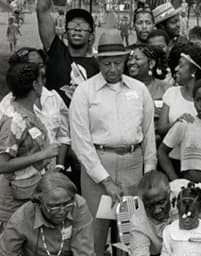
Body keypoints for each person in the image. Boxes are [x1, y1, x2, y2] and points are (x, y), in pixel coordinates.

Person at [69, 30, 157, 256]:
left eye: (118, 62)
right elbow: (81, 142)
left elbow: (148, 135)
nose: (113, 69)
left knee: (132, 229)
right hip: (98, 165)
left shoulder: (139, 90)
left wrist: (149, 174)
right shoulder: (85, 91)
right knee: (95, 231)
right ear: (99, 61)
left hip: (132, 164)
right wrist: (105, 180)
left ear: (125, 60)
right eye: (107, 63)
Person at [0, 63, 67, 229]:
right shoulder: (14, 120)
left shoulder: (30, 113)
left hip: (33, 193)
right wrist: (42, 155)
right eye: (40, 79)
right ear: (35, 85)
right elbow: (2, 164)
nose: (43, 84)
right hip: (14, 202)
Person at [0, 172, 94, 255]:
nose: (62, 211)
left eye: (66, 204)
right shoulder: (21, 218)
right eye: (54, 206)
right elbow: (6, 252)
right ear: (39, 202)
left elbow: (84, 250)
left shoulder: (78, 205)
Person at [37, 0, 99, 104]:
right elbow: (42, 9)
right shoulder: (56, 52)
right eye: (73, 25)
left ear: (91, 36)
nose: (77, 28)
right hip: (54, 119)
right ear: (65, 33)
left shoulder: (98, 67)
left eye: (83, 26)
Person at [158, 46, 201, 136]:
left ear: (194, 70)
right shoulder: (171, 93)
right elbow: (161, 130)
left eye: (181, 65)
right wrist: (177, 123)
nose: (176, 69)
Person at [161, 182, 201, 256]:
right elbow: (165, 253)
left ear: (200, 210)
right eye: (182, 215)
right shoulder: (169, 231)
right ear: (178, 209)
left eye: (191, 216)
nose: (187, 220)